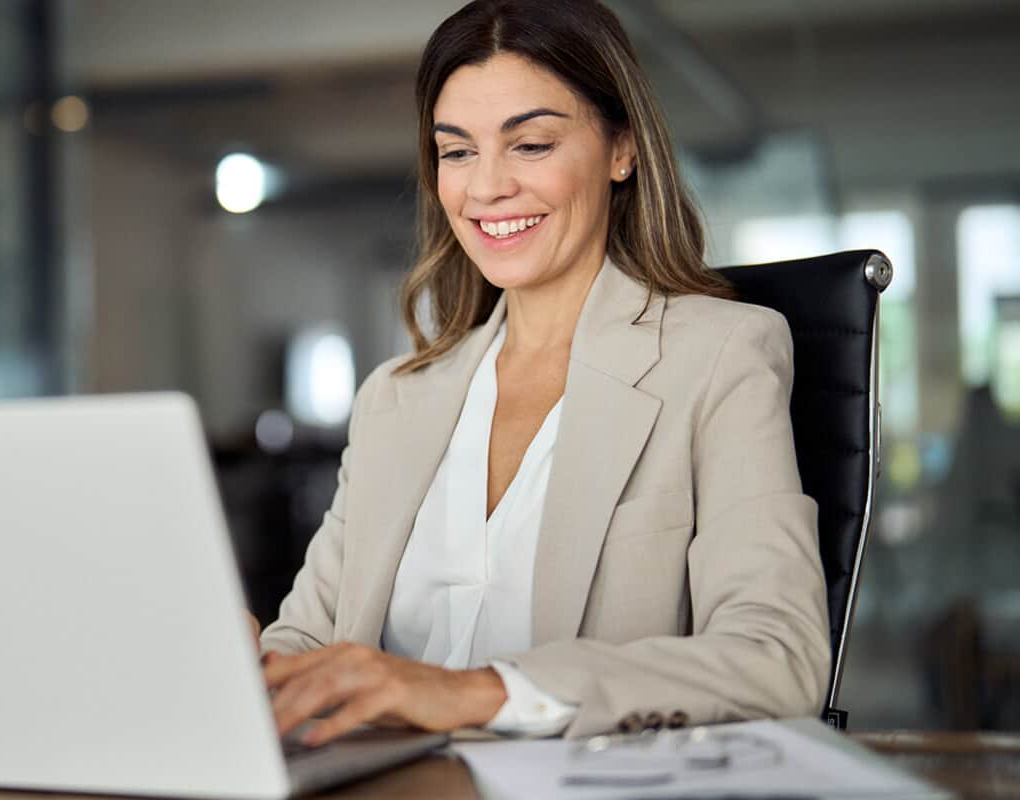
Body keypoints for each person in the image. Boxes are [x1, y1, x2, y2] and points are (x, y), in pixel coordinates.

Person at [253, 0, 831, 744]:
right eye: (457, 151)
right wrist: (249, 669)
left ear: (621, 148)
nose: (486, 187)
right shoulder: (396, 397)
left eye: (529, 145)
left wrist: (476, 694)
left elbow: (776, 658)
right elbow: (307, 644)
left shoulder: (719, 356)